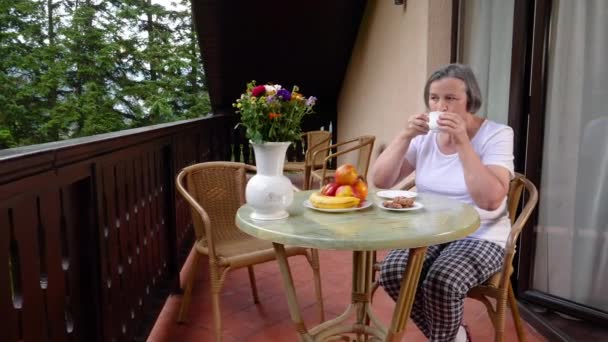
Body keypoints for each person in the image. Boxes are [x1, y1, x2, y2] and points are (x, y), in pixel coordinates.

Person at [372, 64, 514, 342]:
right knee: (393, 272)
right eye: (434, 98)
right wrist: (405, 136)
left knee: (443, 280)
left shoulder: (497, 134)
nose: (441, 106)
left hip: (482, 234)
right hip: (430, 230)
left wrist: (462, 142)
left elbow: (490, 199)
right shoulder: (425, 136)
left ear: (470, 101)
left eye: (451, 98)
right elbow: (381, 180)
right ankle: (454, 337)